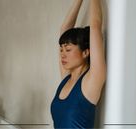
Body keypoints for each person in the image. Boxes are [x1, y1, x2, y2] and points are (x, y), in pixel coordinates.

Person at [51, 0, 107, 128]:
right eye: (61, 49)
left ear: (86, 52)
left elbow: (95, 26)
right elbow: (64, 29)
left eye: (68, 50)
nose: (62, 54)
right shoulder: (66, 79)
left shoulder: (92, 80)